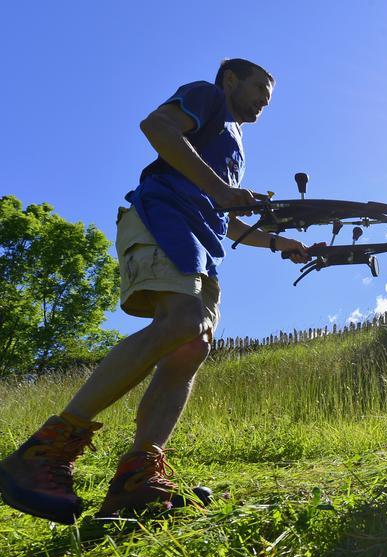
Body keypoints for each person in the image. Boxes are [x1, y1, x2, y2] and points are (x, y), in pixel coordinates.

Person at [0, 58, 314, 523]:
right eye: (257, 95)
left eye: (268, 104)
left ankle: (137, 478)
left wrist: (277, 242)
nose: (261, 107)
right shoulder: (207, 98)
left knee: (193, 345)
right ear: (230, 79)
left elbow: (225, 217)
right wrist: (221, 190)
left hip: (202, 241)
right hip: (162, 217)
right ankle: (42, 452)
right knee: (183, 321)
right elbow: (158, 126)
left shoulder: (234, 142)